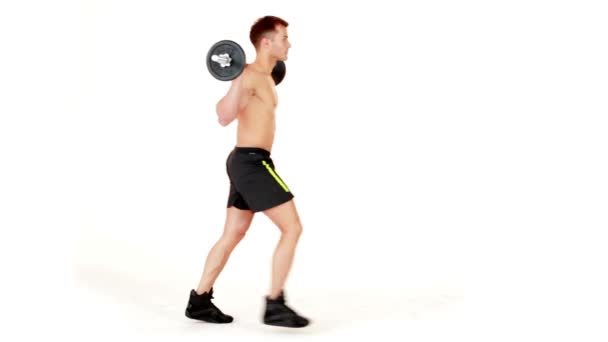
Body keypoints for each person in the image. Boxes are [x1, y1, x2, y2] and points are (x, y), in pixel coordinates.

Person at [184, 16, 310, 328]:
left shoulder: (267, 75)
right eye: (283, 38)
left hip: (247, 161)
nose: (289, 43)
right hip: (253, 164)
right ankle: (275, 304)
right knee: (292, 228)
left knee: (233, 233)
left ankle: (199, 301)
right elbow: (224, 115)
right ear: (266, 43)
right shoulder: (250, 75)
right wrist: (238, 77)